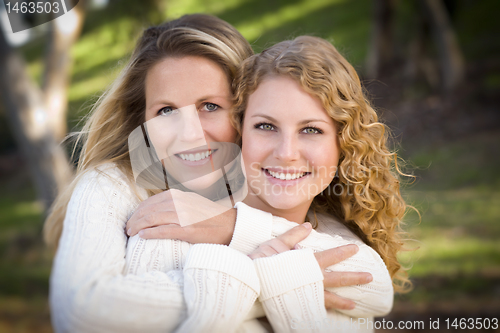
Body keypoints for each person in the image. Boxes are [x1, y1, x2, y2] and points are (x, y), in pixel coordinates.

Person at [44, 14, 373, 332]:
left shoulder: (275, 190)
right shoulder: (114, 186)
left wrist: (235, 227)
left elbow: (377, 286)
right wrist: (269, 279)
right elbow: (80, 311)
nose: (189, 134)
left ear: (246, 111)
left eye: (210, 106)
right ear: (141, 121)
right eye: (166, 110)